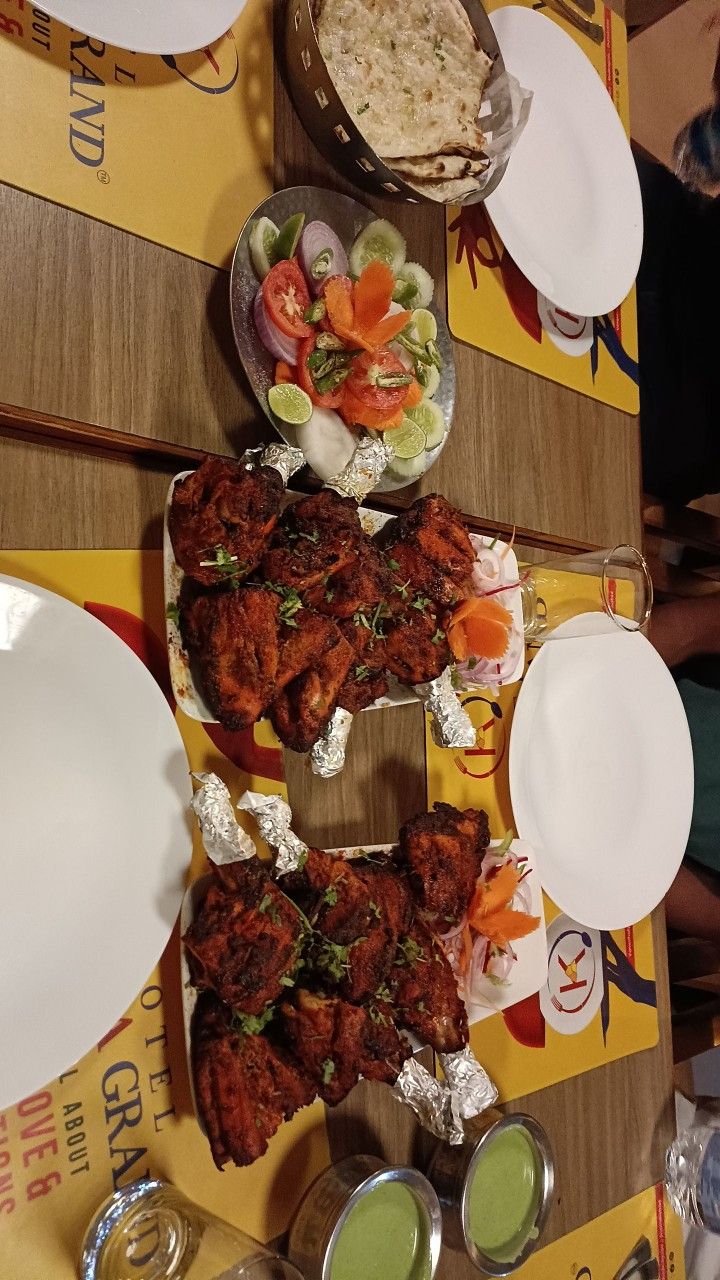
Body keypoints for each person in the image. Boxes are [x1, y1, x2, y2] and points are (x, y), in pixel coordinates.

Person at [652, 596, 720, 941]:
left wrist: (639, 868)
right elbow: (695, 626)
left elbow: (710, 912)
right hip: (638, 690)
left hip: (634, 839)